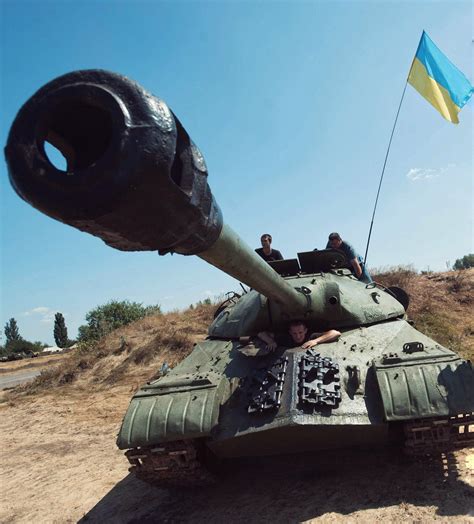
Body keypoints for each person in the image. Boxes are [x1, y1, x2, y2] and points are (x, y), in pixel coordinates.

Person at [257, 320, 341, 352]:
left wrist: (315, 341)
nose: (298, 336)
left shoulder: (311, 336)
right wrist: (271, 341)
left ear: (305, 331)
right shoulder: (284, 338)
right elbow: (261, 334)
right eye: (294, 333)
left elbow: (335, 333)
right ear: (290, 332)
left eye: (300, 332)